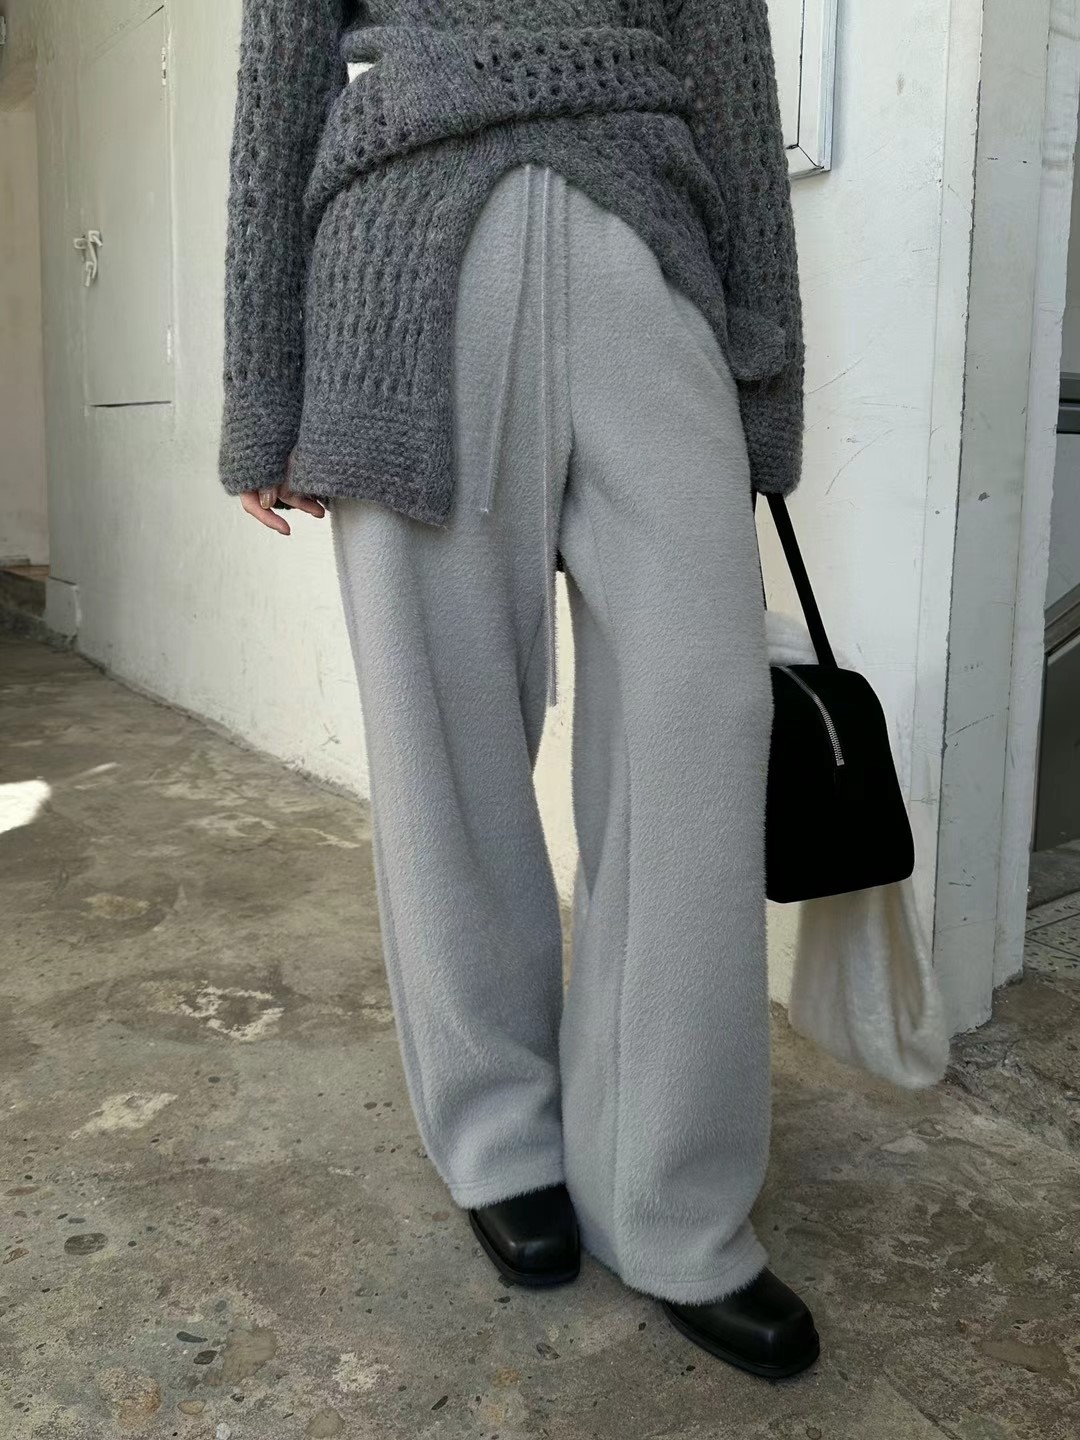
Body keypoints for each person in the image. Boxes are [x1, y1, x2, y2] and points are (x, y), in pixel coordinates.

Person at [218, 0, 819, 1380]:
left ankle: (670, 1195)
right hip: (398, 273)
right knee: (443, 743)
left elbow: (734, 84)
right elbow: (278, 87)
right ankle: (501, 1141)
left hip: (646, 252)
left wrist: (769, 383)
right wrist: (262, 388)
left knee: (701, 729)